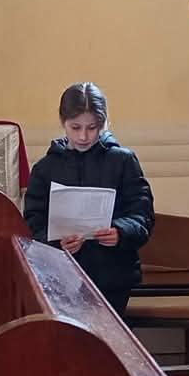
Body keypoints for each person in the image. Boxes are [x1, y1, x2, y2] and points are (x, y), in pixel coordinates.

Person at [23, 83, 155, 317]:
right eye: (75, 127)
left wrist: (120, 232)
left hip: (112, 277)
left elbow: (142, 215)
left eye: (92, 128)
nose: (83, 136)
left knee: (108, 337)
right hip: (62, 278)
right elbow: (32, 226)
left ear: (103, 124)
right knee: (68, 338)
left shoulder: (123, 161)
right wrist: (57, 244)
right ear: (63, 122)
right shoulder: (45, 169)